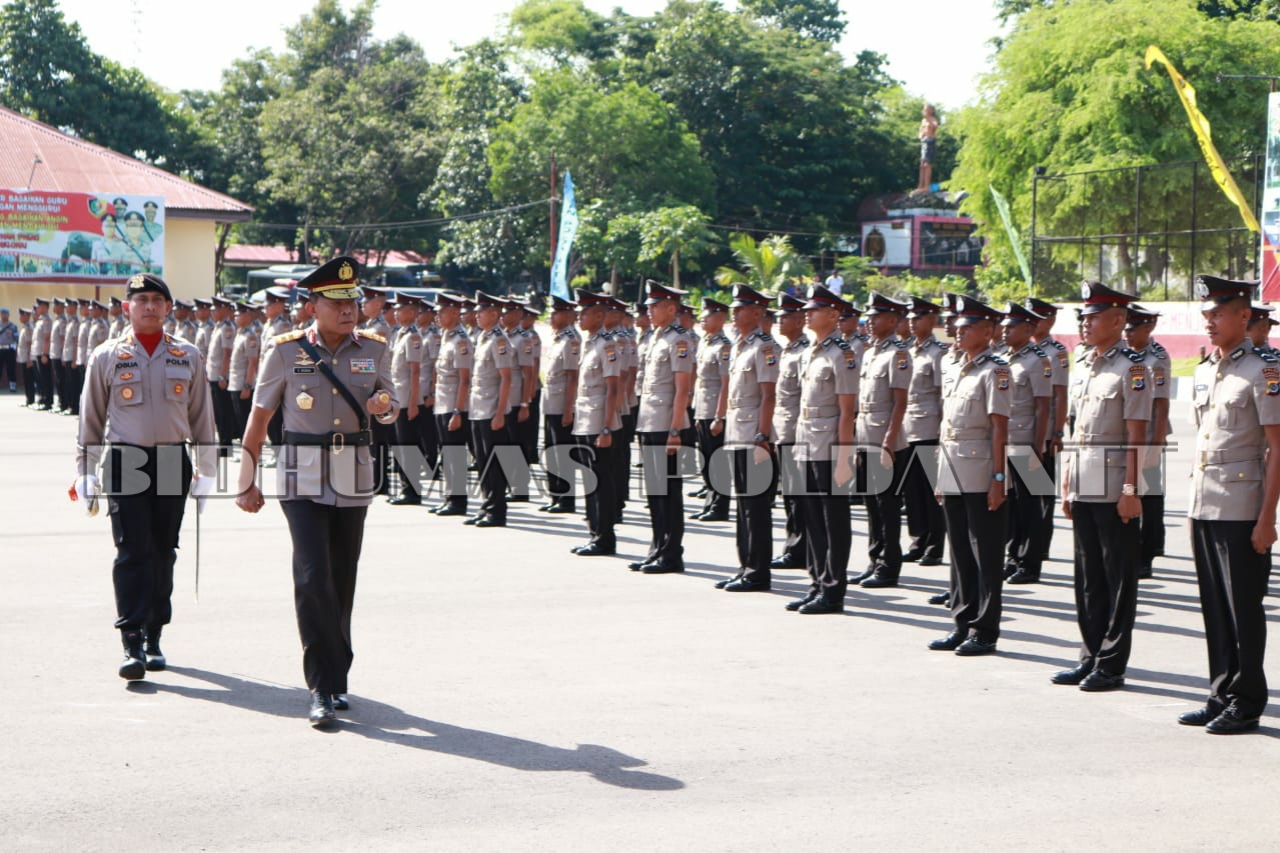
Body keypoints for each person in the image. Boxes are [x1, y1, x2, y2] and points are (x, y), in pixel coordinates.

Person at [234, 256, 398, 727]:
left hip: (353, 476)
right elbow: (259, 419)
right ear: (312, 306)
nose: (349, 310)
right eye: (337, 302)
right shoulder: (284, 351)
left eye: (354, 301)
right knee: (311, 577)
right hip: (300, 479)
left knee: (342, 577)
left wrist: (383, 406)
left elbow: (388, 406)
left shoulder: (374, 348)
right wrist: (246, 479)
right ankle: (321, 687)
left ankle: (337, 671)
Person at [74, 273, 216, 681]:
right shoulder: (106, 355)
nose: (150, 306)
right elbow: (91, 419)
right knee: (132, 550)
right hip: (125, 461)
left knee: (164, 549)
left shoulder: (187, 355)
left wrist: (207, 469)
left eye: (157, 300)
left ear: (168, 308)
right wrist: (84, 470)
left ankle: (155, 633)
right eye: (141, 300)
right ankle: (131, 640)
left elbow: (202, 416)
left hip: (172, 459)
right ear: (126, 308)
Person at [1181, 275, 1280, 734]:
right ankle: (1220, 691)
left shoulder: (1265, 369)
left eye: (1218, 314)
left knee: (1244, 608)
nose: (1210, 322)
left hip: (1243, 507)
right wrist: (1192, 508)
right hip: (1206, 504)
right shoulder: (1205, 370)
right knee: (1215, 607)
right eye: (1206, 315)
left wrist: (1267, 518)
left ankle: (1247, 700)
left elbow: (1277, 447)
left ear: (1244, 316)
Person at [1054, 281, 1149, 692]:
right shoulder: (1086, 363)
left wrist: (1131, 491)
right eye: (1083, 317)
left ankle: (1111, 664)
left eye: (1093, 317)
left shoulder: (1133, 368)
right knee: (1088, 575)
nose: (1085, 324)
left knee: (1117, 577)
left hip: (1115, 486)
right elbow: (1076, 429)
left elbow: (1138, 435)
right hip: (1084, 480)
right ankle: (1090, 654)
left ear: (1117, 320)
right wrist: (1067, 482)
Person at [929, 296, 1011, 655]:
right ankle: (961, 622)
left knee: (986, 553)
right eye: (958, 326)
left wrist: (998, 478)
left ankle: (985, 629)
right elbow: (947, 425)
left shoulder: (996, 369)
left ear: (989, 332)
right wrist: (939, 474)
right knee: (959, 549)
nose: (958, 332)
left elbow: (999, 429)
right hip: (952, 466)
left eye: (968, 327)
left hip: (980, 471)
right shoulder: (955, 366)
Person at [787, 286, 858, 613]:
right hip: (806, 441)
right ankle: (816, 582)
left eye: (814, 310)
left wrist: (845, 456)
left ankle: (833, 590)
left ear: (833, 315)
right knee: (811, 517)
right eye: (807, 310)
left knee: (833, 519)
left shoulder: (841, 354)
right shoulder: (810, 351)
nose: (807, 314)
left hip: (830, 445)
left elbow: (847, 410)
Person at [717, 284, 780, 593]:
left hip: (754, 434)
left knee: (755, 506)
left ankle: (758, 571)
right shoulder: (741, 345)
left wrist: (762, 435)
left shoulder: (765, 347)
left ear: (757, 312)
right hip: (737, 432)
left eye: (740, 308)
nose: (734, 312)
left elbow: (769, 396)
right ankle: (744, 566)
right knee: (743, 505)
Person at [630, 281, 695, 575]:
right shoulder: (655, 337)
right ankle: (656, 548)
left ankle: (671, 554)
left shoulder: (679, 340)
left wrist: (675, 430)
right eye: (649, 306)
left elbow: (682, 390)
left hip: (667, 424)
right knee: (655, 491)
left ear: (671, 308)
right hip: (649, 420)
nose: (649, 311)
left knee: (669, 490)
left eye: (655, 306)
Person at [853, 292, 912, 589]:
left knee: (886, 505)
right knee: (871, 504)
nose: (871, 321)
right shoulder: (872, 350)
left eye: (877, 316)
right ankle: (874, 560)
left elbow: (900, 402)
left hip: (884, 438)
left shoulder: (898, 353)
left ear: (893, 320)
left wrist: (889, 438)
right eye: (870, 316)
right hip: (865, 434)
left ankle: (889, 566)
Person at [1000, 302, 1053, 584]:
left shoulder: (1038, 360)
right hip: (1004, 440)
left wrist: (1038, 446)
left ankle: (1029, 563)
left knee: (1030, 505)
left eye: (1012, 326)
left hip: (1024, 440)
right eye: (1004, 326)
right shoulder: (1003, 358)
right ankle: (1012, 557)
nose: (1005, 331)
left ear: (1029, 329)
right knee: (1011, 505)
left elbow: (1043, 407)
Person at [569, 291, 622, 557]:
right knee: (590, 479)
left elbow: (613, 389)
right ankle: (594, 532)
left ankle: (604, 537)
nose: (580, 317)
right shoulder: (589, 343)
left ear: (599, 315)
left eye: (585, 313)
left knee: (601, 480)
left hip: (599, 421)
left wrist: (607, 427)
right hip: (585, 419)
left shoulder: (607, 345)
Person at [1124, 305, 1171, 580]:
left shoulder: (1157, 358)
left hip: (1151, 434)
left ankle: (1148, 553)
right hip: (1129, 435)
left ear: (1147, 329)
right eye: (1126, 329)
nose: (1127, 334)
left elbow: (1161, 407)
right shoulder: (1125, 355)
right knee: (1131, 491)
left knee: (1150, 495)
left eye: (1133, 329)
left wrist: (1155, 445)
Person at [901, 296, 948, 567]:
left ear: (932, 320)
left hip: (929, 427)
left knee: (931, 490)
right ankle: (918, 538)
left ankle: (934, 545)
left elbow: (943, 396)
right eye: (910, 317)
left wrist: (943, 434)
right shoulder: (906, 350)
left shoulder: (938, 353)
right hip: (907, 428)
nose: (912, 322)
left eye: (918, 317)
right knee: (912, 490)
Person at [770, 293, 810, 571]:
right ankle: (793, 545)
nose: (779, 321)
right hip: (783, 430)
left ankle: (799, 549)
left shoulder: (804, 352)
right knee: (790, 494)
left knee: (799, 496)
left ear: (799, 320)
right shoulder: (788, 350)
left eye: (786, 317)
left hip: (797, 432)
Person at [467, 292, 515, 528]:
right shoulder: (483, 337)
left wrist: (499, 413)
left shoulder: (499, 340)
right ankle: (487, 505)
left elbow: (507, 379)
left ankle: (497, 511)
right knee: (482, 460)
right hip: (477, 407)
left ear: (494, 314)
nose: (476, 315)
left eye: (481, 311)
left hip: (491, 409)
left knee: (494, 461)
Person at [1027, 297, 1068, 562]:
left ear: (1050, 320)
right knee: (1023, 497)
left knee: (1040, 493)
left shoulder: (1056, 352)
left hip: (1044, 432)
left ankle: (1039, 546)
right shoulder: (1023, 350)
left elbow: (1061, 395)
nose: (1032, 323)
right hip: (1022, 430)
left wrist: (1057, 432)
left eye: (1038, 318)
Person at [430, 294, 473, 517]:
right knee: (446, 453)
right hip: (442, 403)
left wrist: (458, 411)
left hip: (454, 406)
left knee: (455, 454)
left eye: (441, 312)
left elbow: (464, 379)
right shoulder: (446, 337)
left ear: (454, 313)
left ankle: (458, 501)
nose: (437, 316)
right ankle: (449, 497)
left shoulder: (461, 341)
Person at [690, 298, 732, 522]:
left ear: (720, 319)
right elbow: (700, 381)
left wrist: (720, 416)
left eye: (707, 316)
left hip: (716, 409)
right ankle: (710, 501)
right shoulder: (706, 343)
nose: (702, 320)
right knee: (706, 459)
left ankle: (720, 505)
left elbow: (726, 383)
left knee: (717, 460)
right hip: (703, 409)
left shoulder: (723, 346)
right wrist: (699, 412)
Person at [541, 294, 581, 514]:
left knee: (562, 451)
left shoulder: (571, 340)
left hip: (561, 404)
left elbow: (573, 377)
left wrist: (569, 409)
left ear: (566, 315)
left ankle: (566, 499)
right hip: (550, 402)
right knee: (551, 450)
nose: (551, 316)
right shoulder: (558, 338)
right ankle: (555, 494)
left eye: (555, 313)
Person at [388, 293, 426, 505]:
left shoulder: (413, 337)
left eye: (400, 309)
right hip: (398, 397)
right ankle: (405, 488)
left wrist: (413, 403)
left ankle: (411, 491)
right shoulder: (401, 334)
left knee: (409, 445)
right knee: (401, 445)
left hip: (407, 400)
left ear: (411, 312)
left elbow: (415, 372)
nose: (396, 313)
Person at [227, 301, 261, 442]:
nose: (235, 318)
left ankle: (251, 449)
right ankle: (244, 447)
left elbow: (252, 363)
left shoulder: (250, 336)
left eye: (238, 315)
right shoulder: (240, 333)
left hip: (243, 384)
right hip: (235, 382)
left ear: (247, 316)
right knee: (239, 418)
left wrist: (247, 386)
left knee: (246, 419)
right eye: (235, 315)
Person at [32, 297, 53, 410]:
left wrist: (45, 354)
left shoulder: (46, 320)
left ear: (45, 307)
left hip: (44, 353)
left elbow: (47, 338)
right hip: (39, 352)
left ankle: (48, 401)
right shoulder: (40, 320)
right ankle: (43, 399)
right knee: (41, 378)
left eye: (39, 306)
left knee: (46, 378)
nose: (38, 308)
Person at [917, 104, 939, 192]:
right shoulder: (923, 121)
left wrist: (928, 119)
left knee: (927, 164)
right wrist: (921, 136)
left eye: (927, 109)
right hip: (924, 142)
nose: (924, 111)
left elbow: (935, 127)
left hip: (930, 141)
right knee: (922, 165)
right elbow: (920, 131)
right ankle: (920, 186)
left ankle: (927, 187)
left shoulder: (933, 119)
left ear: (931, 111)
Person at [17, 307, 35, 405]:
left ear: (26, 316)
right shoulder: (25, 327)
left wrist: (29, 359)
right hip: (24, 357)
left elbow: (29, 344)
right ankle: (28, 399)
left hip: (27, 358)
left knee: (29, 380)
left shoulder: (28, 328)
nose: (20, 317)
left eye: (21, 315)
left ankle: (30, 399)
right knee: (26, 379)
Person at [0, 307, 17, 392]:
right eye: (2, 313)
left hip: (10, 349)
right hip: (0, 349)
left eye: (5, 314)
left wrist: (13, 335)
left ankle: (12, 385)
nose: (4, 315)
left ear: (8, 315)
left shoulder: (13, 326)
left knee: (11, 368)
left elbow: (17, 337)